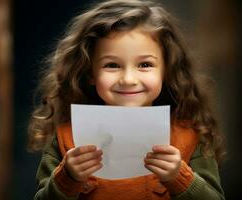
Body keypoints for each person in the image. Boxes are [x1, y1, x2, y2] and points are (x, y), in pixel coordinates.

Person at [28, 0, 226, 199]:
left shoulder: (191, 136)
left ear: (167, 70)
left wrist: (180, 177)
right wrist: (67, 178)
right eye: (112, 65)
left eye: (145, 64)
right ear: (90, 72)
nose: (128, 79)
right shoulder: (65, 137)